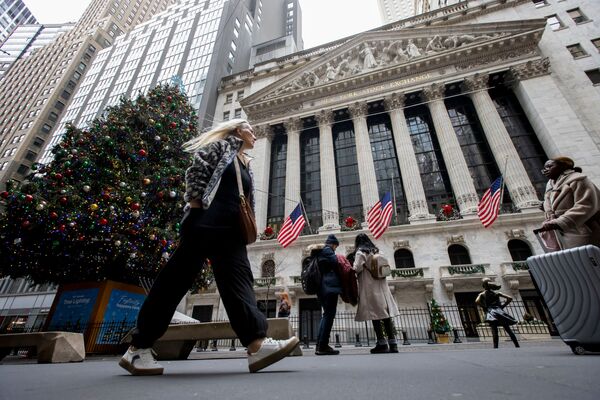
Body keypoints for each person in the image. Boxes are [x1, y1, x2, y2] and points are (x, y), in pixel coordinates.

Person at [119, 119, 299, 375]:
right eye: (250, 129)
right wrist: (194, 211)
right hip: (206, 224)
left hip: (231, 232)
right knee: (174, 284)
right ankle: (139, 348)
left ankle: (257, 344)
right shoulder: (219, 147)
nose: (255, 135)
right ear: (238, 130)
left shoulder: (244, 161)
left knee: (240, 282)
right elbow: (196, 173)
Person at [351, 233, 400, 354]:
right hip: (382, 286)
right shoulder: (377, 251)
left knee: (375, 315)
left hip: (369, 287)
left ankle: (382, 343)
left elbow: (356, 268)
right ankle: (393, 344)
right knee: (386, 315)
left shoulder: (361, 252)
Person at [538, 156, 600, 249]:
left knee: (585, 259)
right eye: (544, 168)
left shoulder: (578, 179)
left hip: (580, 229)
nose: (545, 170)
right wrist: (546, 207)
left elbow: (586, 205)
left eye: (549, 166)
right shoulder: (551, 185)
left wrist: (561, 221)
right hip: (560, 233)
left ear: (563, 166)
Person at [310, 234, 342, 355]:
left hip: (322, 288)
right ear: (333, 244)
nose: (335, 249)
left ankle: (320, 344)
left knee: (326, 315)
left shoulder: (319, 253)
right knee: (329, 315)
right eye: (336, 247)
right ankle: (323, 345)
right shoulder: (328, 251)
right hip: (329, 287)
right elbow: (337, 263)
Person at [475, 278, 519, 349]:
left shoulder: (482, 294)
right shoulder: (497, 293)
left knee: (494, 331)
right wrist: (502, 306)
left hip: (491, 312)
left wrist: (485, 307)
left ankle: (495, 347)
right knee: (508, 329)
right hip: (499, 312)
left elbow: (477, 301)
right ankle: (517, 345)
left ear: (484, 286)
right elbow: (510, 298)